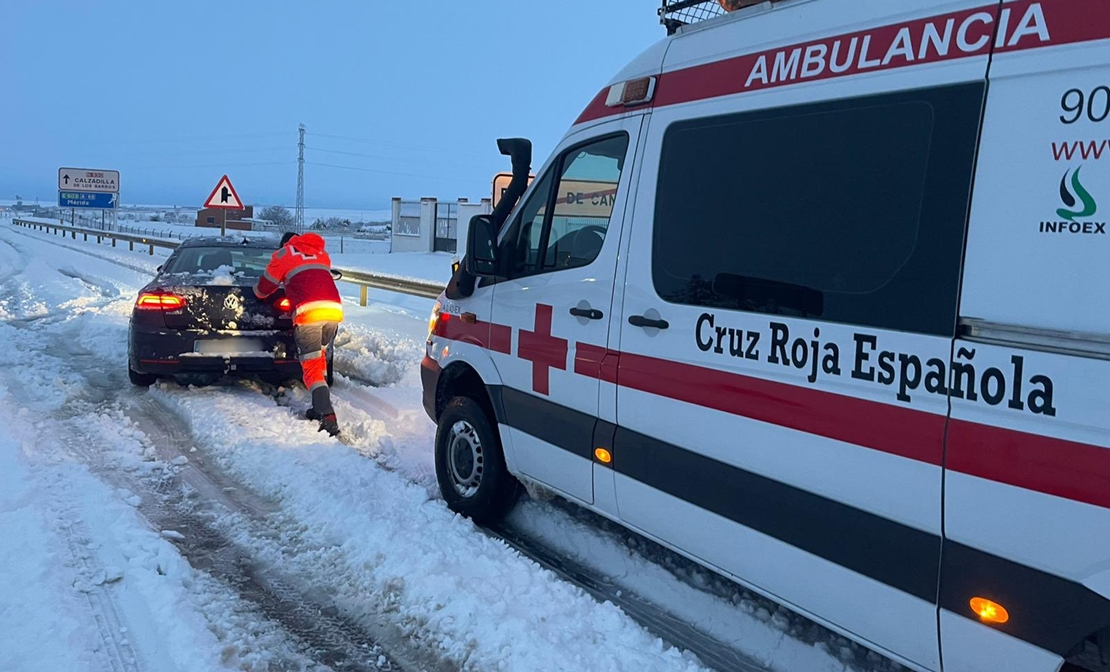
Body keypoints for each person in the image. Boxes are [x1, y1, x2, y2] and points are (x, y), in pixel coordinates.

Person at [255, 231, 344, 436]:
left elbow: (263, 288)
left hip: (309, 312)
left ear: (285, 244)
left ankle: (326, 414)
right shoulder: (321, 254)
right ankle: (317, 405)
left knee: (310, 366)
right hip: (333, 311)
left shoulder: (283, 254)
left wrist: (258, 290)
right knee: (319, 357)